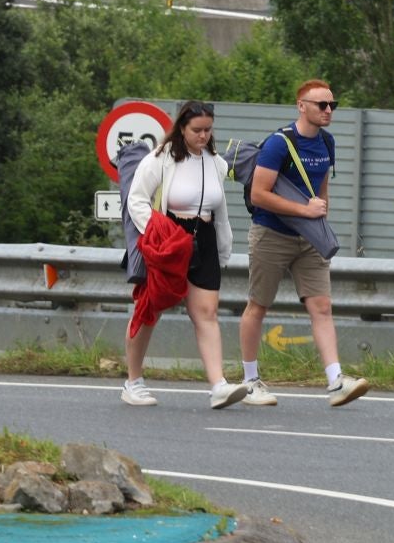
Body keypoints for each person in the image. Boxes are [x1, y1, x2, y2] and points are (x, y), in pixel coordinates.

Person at [237, 80, 369, 407]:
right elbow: (259, 194)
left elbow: (321, 186)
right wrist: (304, 210)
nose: (328, 111)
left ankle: (335, 380)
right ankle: (250, 380)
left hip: (309, 237)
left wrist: (319, 216)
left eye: (332, 106)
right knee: (259, 305)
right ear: (302, 106)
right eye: (322, 105)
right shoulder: (278, 144)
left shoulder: (327, 142)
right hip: (271, 234)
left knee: (321, 306)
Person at [121, 101, 249, 410]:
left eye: (208, 130)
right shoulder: (160, 159)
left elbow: (219, 211)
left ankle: (218, 384)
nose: (203, 136)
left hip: (202, 239)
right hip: (169, 238)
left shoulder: (216, 163)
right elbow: (136, 200)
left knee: (207, 313)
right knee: (150, 308)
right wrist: (158, 231)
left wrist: (222, 250)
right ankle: (133, 382)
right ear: (182, 128)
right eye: (197, 130)